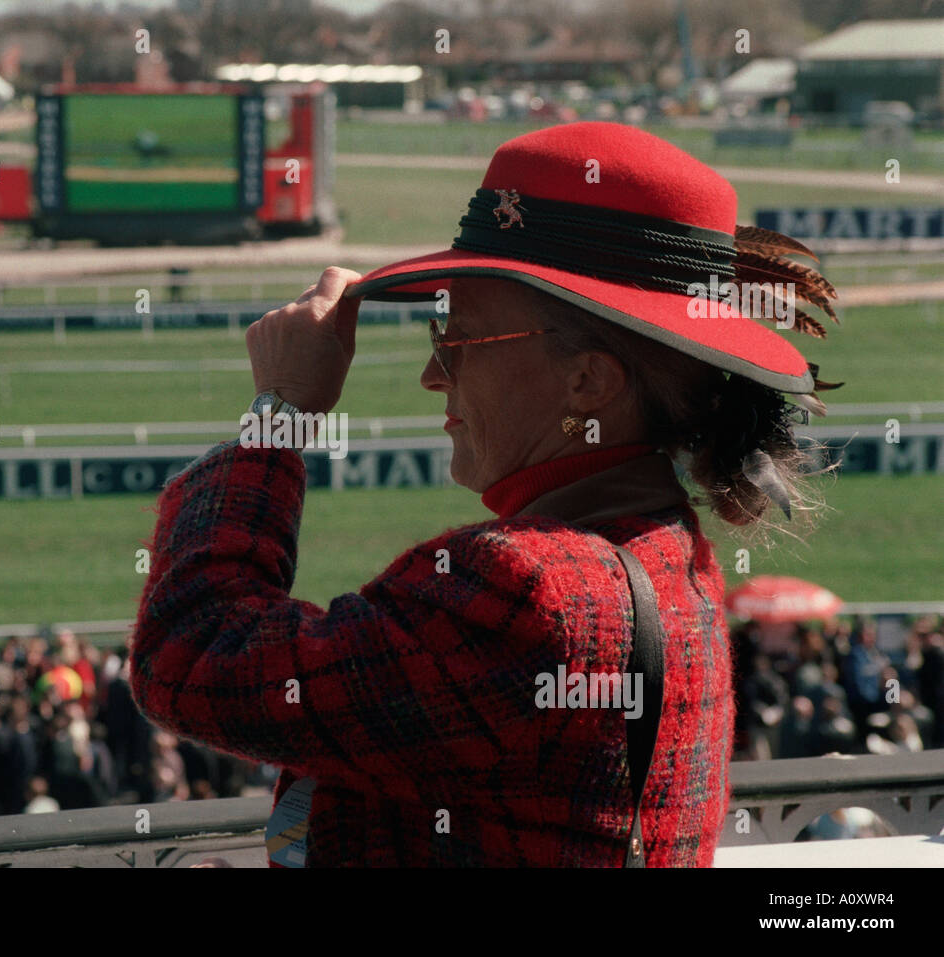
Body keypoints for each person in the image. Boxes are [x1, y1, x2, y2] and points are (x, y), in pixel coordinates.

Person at [129, 122, 843, 866]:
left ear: (588, 383)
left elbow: (188, 656)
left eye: (457, 336)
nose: (433, 375)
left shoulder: (525, 590)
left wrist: (280, 414)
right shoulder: (671, 552)